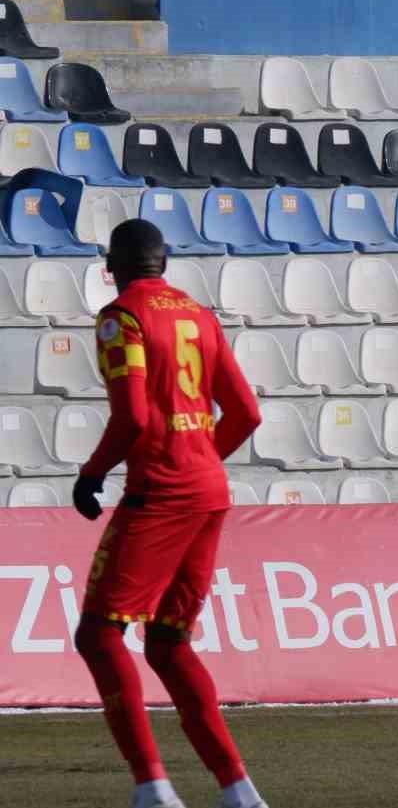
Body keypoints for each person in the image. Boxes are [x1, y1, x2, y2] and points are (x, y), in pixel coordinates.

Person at [71, 219, 266, 808]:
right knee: (169, 642)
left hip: (160, 491)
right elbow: (247, 413)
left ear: (114, 266)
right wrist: (201, 455)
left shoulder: (119, 317)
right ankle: (239, 790)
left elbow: (131, 417)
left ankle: (153, 787)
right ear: (164, 262)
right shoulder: (200, 315)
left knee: (100, 635)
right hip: (209, 492)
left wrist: (91, 472)